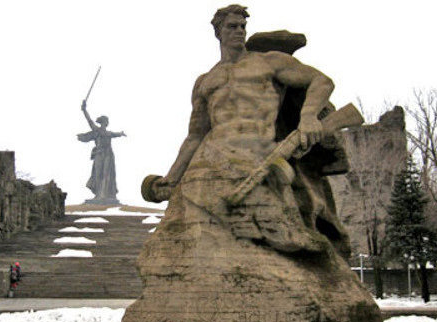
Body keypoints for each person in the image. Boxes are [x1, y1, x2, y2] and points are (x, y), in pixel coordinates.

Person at [146, 4, 348, 255]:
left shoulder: (268, 62)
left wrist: (308, 116)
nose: (239, 31)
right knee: (184, 223)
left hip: (259, 152)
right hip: (211, 157)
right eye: (232, 27)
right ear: (218, 32)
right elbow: (195, 136)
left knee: (283, 233)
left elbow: (321, 81)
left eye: (243, 26)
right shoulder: (205, 82)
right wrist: (171, 178)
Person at [77, 100, 126, 203]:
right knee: (97, 174)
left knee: (106, 174)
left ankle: (104, 195)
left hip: (108, 154)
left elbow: (116, 134)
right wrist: (84, 110)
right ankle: (98, 195)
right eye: (104, 122)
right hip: (99, 154)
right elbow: (89, 120)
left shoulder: (109, 133)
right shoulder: (96, 130)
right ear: (102, 123)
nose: (105, 124)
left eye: (106, 122)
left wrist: (121, 133)